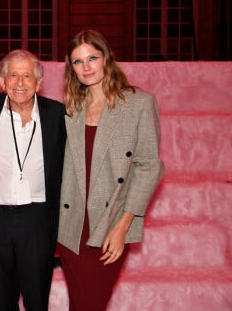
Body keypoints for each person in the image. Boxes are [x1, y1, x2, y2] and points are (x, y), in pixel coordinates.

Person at [57, 30, 164, 311]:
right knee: (81, 304)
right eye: (78, 62)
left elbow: (148, 165)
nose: (87, 67)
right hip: (71, 226)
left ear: (107, 59)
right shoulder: (71, 108)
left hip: (111, 223)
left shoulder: (138, 103)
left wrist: (122, 227)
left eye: (92, 58)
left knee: (91, 303)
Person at [0, 49, 66, 311]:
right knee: (2, 299)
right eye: (13, 75)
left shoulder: (58, 115)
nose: (20, 83)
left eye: (27, 76)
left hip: (38, 218)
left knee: (37, 300)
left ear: (39, 82)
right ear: (2, 81)